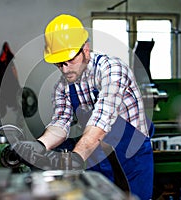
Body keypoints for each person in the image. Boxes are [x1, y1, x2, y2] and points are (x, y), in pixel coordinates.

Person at [12, 14, 154, 200]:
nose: (64, 69)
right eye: (58, 63)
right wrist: (38, 145)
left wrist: (75, 159)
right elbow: (60, 123)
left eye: (69, 60)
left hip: (131, 159)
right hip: (96, 158)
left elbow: (101, 122)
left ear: (85, 50)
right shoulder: (61, 86)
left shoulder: (112, 70)